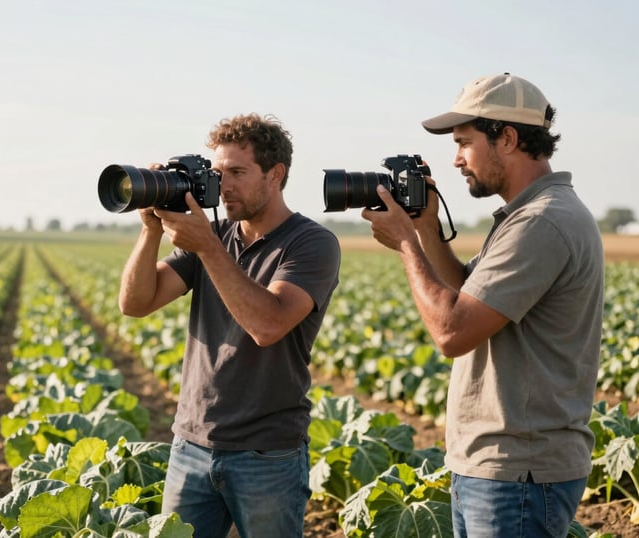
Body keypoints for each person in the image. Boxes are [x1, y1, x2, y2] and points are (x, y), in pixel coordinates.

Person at [361, 73, 604, 537]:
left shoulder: (542, 221)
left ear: (507, 138)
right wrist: (429, 231)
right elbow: (469, 293)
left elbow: (453, 331)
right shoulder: (528, 214)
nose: (454, 160)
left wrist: (409, 245)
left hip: (518, 471)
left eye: (464, 143)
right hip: (500, 468)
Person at [118, 113, 341, 537]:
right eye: (218, 173)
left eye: (238, 172)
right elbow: (135, 302)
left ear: (276, 175)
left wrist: (207, 247)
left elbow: (268, 324)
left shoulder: (311, 243)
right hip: (192, 442)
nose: (224, 185)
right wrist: (150, 230)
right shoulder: (214, 234)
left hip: (267, 453)